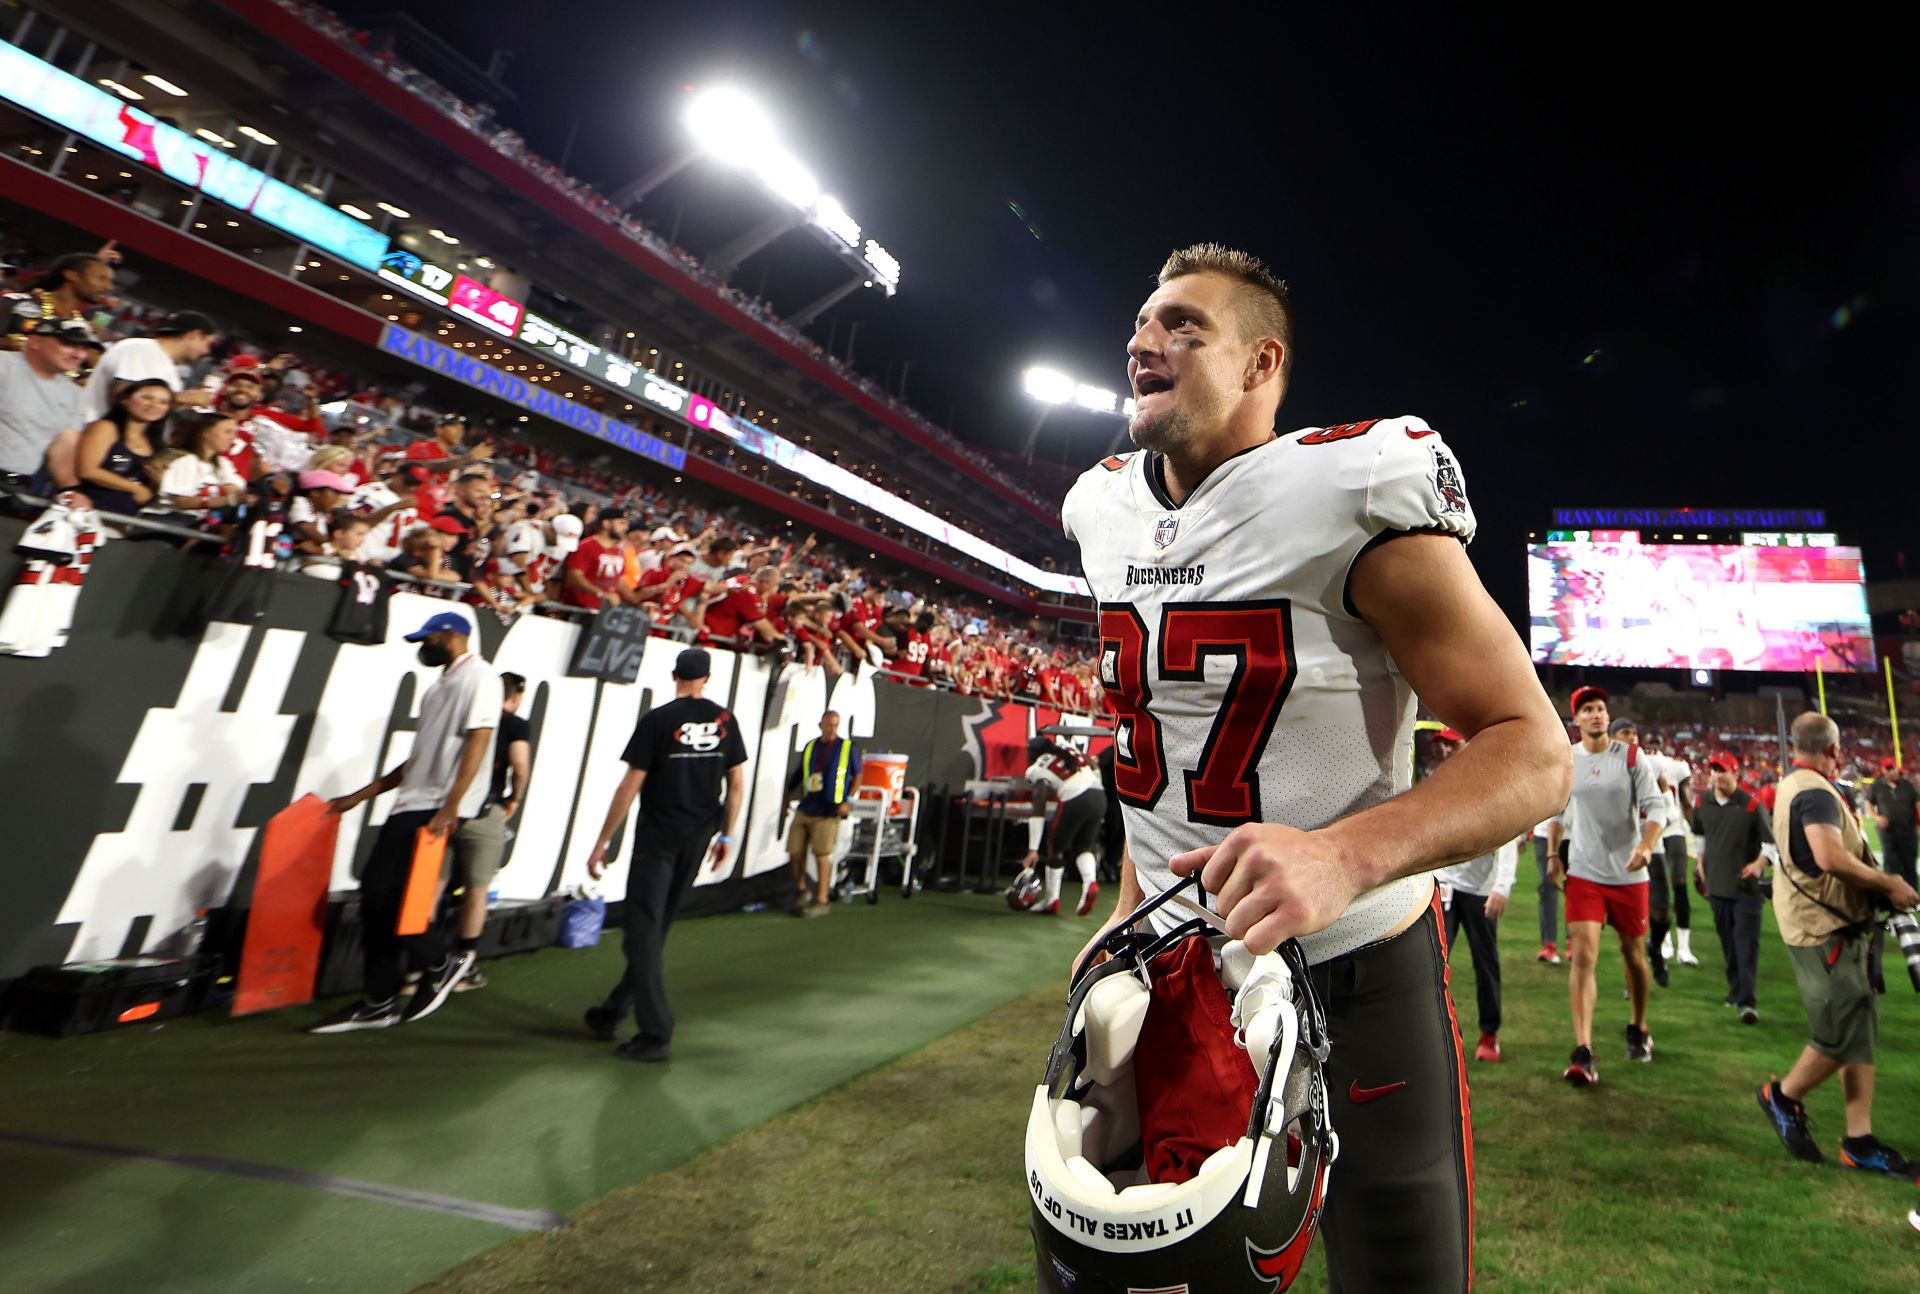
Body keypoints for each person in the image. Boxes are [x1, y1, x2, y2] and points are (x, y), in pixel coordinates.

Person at [1059, 243, 1571, 1292]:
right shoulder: (1099, 509)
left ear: (1261, 363)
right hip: (1176, 973)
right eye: (1144, 322)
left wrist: (1342, 855)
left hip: (1359, 972)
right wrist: (1125, 905)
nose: (1143, 340)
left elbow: (1533, 747)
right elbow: (1157, 754)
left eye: (1184, 325)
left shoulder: (1353, 486)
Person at [309, 611, 501, 1033]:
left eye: (426, 638)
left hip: (433, 807)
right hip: (413, 802)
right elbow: (417, 761)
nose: (422, 647)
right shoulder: (438, 689)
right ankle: (379, 1000)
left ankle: (441, 960)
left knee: (387, 898)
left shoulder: (481, 677)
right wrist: (360, 796)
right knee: (378, 901)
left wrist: (451, 806)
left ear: (450, 635)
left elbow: (480, 739)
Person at [1756, 712, 1920, 1178]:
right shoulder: (1813, 790)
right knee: (1840, 1029)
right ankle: (1783, 1097)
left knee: (1859, 1026)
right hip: (1822, 927)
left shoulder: (1797, 783)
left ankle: (1860, 1141)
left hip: (1830, 923)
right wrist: (1887, 882)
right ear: (1833, 750)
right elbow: (1827, 856)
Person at [582, 648, 747, 1062]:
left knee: (641, 932)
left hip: (658, 839)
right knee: (655, 929)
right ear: (707, 678)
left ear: (675, 675)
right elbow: (737, 784)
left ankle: (656, 1032)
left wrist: (603, 840)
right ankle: (614, 1010)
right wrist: (726, 837)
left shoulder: (658, 720)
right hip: (698, 838)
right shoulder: (725, 721)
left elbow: (629, 785)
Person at [1547, 688, 1665, 1083]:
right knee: (1583, 956)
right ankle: (1583, 1051)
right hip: (1585, 873)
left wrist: (1647, 847)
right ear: (1576, 719)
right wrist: (1552, 855)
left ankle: (1638, 1025)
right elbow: (1558, 811)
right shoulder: (1568, 760)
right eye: (1587, 710)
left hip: (1630, 874)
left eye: (1600, 708)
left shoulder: (1631, 757)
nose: (1596, 715)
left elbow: (1656, 806)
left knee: (1633, 954)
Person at [1431, 728, 1517, 1063]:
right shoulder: (1440, 783)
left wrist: (1501, 887)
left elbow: (1508, 839)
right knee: (1435, 964)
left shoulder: (1493, 785)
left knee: (1486, 963)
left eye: (1453, 744)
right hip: (1444, 886)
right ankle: (1442, 1034)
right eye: (1445, 746)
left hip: (1480, 891)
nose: (1448, 751)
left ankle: (1489, 1034)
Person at [451, 671, 533, 993]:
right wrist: (515, 797)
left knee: (432, 888)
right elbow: (521, 766)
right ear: (514, 697)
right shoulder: (513, 724)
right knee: (476, 892)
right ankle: (462, 969)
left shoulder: (463, 717)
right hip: (484, 811)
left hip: (446, 810)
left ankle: (418, 967)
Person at [1689, 752, 1772, 1024]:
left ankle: (1748, 1001)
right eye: (1713, 770)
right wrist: (1701, 864)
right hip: (1717, 885)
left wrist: (1759, 864)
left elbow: (1772, 845)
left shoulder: (1751, 806)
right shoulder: (1702, 802)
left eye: (1722, 770)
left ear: (1735, 773)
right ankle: (1736, 991)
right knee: (1728, 944)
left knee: (1745, 944)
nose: (1716, 775)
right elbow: (1700, 836)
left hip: (1746, 889)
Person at [1608, 717, 1676, 987]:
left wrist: (1653, 830)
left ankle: (1656, 949)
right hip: (1618, 849)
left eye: (1635, 733)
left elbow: (1668, 803)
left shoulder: (1652, 764)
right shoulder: (1602, 767)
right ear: (1613, 737)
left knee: (1662, 912)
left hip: (1651, 846)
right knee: (1625, 925)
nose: (1633, 737)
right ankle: (1632, 979)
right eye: (1626, 733)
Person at [0, 313, 96, 486]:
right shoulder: (4, 367)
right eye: (68, 344)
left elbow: (63, 449)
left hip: (19, 486)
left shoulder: (74, 394)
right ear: (36, 341)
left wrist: (69, 491)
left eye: (83, 348)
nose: (78, 355)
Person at [1014, 737, 1106, 917]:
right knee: (1083, 846)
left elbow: (1038, 805)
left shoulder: (1037, 767)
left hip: (1076, 798)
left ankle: (1051, 900)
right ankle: (1090, 883)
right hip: (1099, 795)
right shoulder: (1067, 748)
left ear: (1033, 753)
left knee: (1054, 849)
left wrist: (1033, 849)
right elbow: (1094, 767)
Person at [785, 710, 863, 916]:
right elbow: (800, 773)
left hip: (830, 808)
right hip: (807, 805)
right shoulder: (811, 746)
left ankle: (822, 899)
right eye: (828, 725)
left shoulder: (847, 748)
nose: (831, 729)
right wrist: (786, 797)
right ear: (821, 725)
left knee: (822, 855)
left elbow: (858, 776)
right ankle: (802, 889)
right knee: (794, 851)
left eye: (835, 725)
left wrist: (848, 801)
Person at [79, 310, 218, 424]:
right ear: (194, 335)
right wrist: (180, 397)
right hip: (89, 432)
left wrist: (183, 403)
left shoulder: (169, 369)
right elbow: (122, 392)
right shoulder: (139, 348)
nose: (206, 351)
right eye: (207, 343)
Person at [1643, 730, 1700, 971]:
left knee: (1679, 882)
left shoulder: (1676, 767)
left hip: (1673, 828)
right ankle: (1664, 941)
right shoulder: (1639, 764)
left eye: (1657, 741)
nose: (1653, 745)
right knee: (1659, 889)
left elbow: (1686, 801)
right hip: (1652, 831)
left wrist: (1698, 832)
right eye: (1650, 741)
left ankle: (1684, 947)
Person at [74, 377, 170, 518]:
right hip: (89, 512)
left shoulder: (158, 445)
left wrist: (158, 482)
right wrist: (136, 489)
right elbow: (87, 471)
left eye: (163, 402)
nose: (154, 405)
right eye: (147, 397)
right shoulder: (105, 428)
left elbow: (149, 493)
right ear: (125, 400)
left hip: (126, 521)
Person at [144, 411, 245, 515]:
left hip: (196, 523)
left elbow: (235, 489)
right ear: (205, 432)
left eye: (234, 433)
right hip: (164, 520)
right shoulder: (184, 460)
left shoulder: (222, 464)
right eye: (227, 432)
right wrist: (227, 500)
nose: (233, 438)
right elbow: (182, 502)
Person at [1868, 758, 1919, 892]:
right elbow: (1869, 803)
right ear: (1883, 770)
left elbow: (1917, 804)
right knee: (1891, 865)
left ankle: (1912, 896)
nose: (1892, 771)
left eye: (1894, 768)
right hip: (1888, 833)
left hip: (1908, 832)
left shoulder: (1908, 785)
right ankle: (1892, 897)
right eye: (1889, 769)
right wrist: (1876, 817)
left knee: (1909, 865)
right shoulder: (1877, 786)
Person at [1531, 816, 1564, 964]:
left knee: (1576, 885)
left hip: (1572, 833)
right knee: (1547, 887)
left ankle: (1575, 941)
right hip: (1543, 833)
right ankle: (1549, 944)